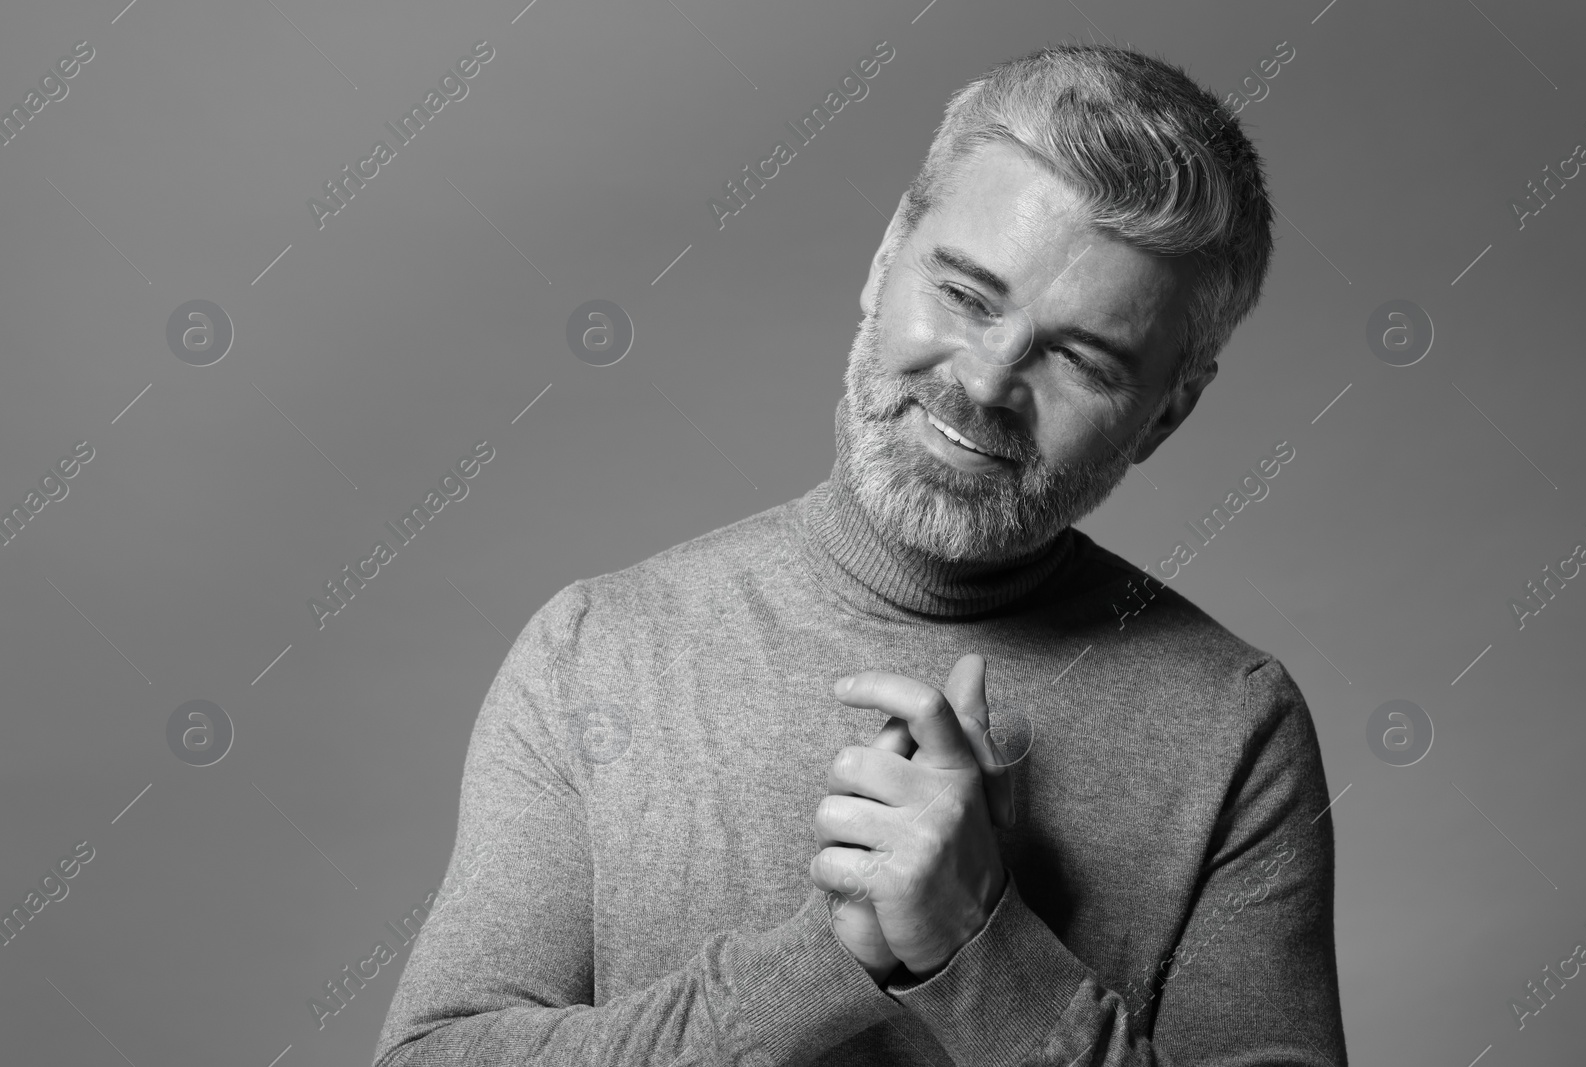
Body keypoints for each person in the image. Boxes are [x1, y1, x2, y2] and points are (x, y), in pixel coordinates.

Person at [373, 42, 1346, 1066]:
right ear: (887, 259)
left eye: (1078, 357)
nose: (983, 379)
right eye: (966, 295)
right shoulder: (596, 650)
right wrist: (825, 959)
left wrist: (979, 942)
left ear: (1166, 412)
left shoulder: (1233, 722)